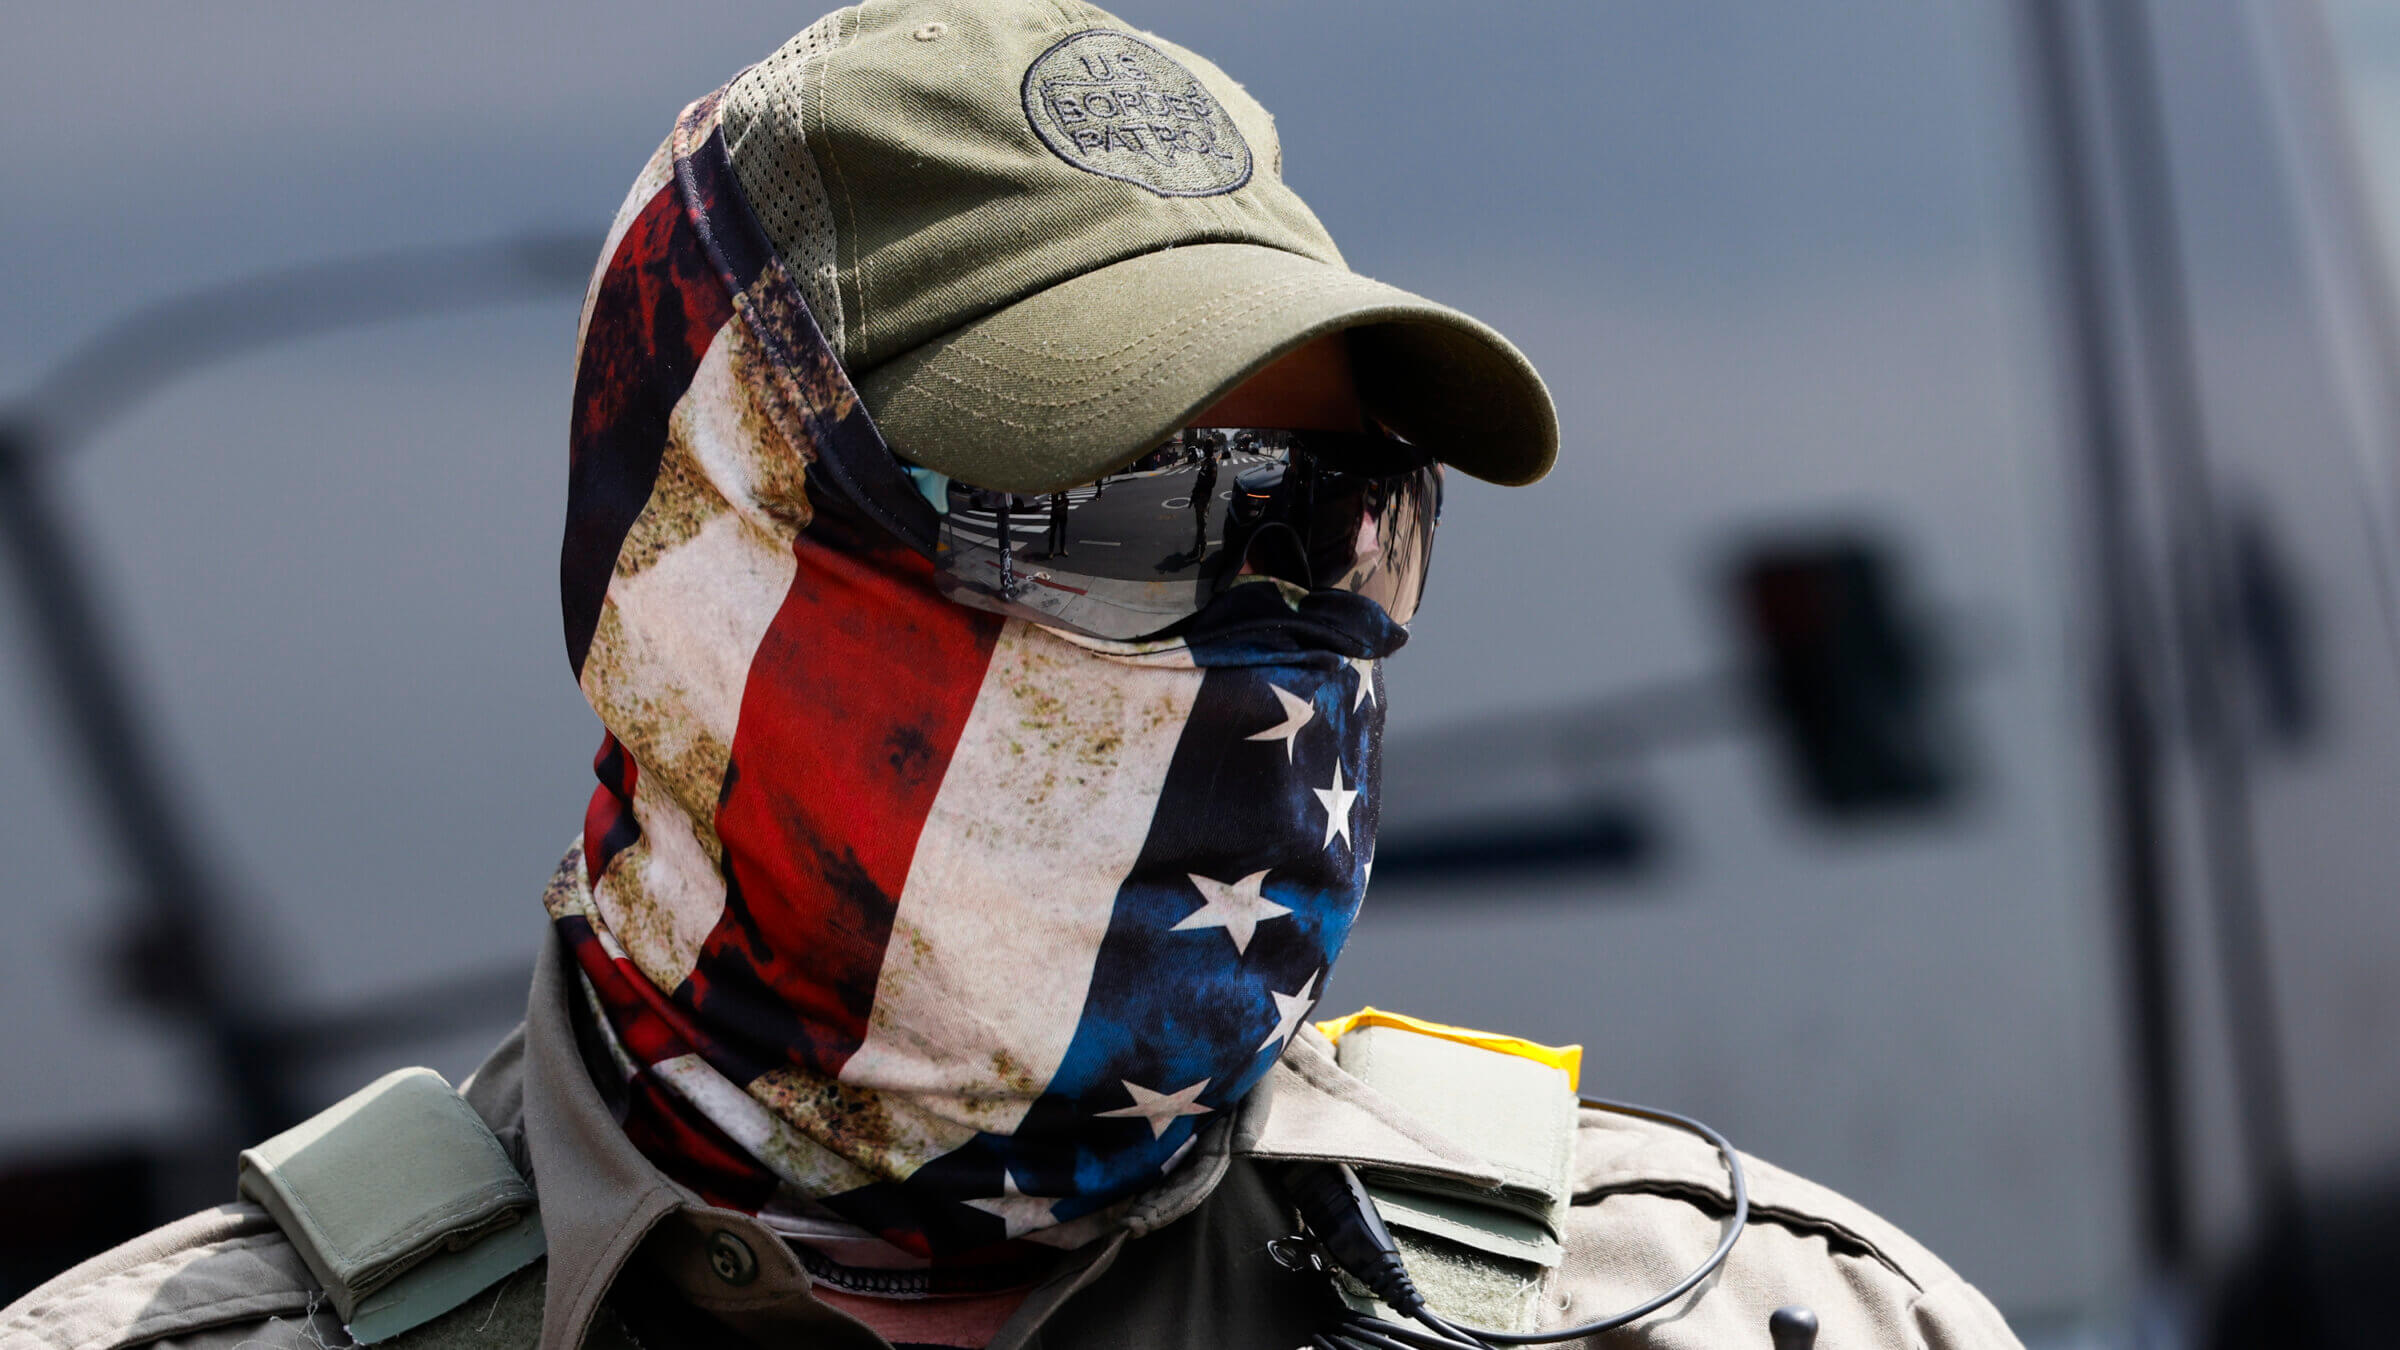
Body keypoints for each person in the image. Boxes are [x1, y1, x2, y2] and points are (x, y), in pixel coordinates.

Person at [0, 4, 2022, 1348]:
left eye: (1330, 521)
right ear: (715, 562)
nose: (1256, 647)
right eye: (1118, 515)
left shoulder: (1748, 1323)